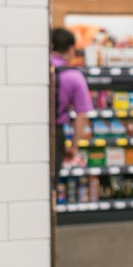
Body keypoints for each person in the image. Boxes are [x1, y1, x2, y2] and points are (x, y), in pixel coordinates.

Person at [50, 28, 93, 177]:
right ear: (71, 49)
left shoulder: (36, 68)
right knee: (51, 180)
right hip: (56, 133)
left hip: (32, 130)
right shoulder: (74, 76)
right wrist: (73, 146)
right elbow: (82, 116)